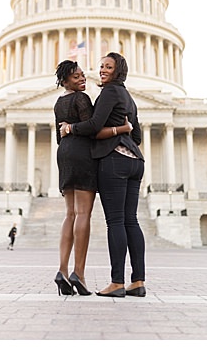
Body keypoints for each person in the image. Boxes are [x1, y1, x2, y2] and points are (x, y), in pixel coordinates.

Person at [60, 52, 147, 298]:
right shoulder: (129, 98)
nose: (102, 70)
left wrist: (71, 127)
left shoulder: (108, 93)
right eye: (101, 66)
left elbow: (93, 127)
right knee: (132, 221)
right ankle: (138, 281)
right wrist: (123, 132)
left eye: (108, 67)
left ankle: (117, 282)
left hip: (115, 162)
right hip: (135, 162)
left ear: (118, 70)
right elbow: (137, 136)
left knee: (116, 222)